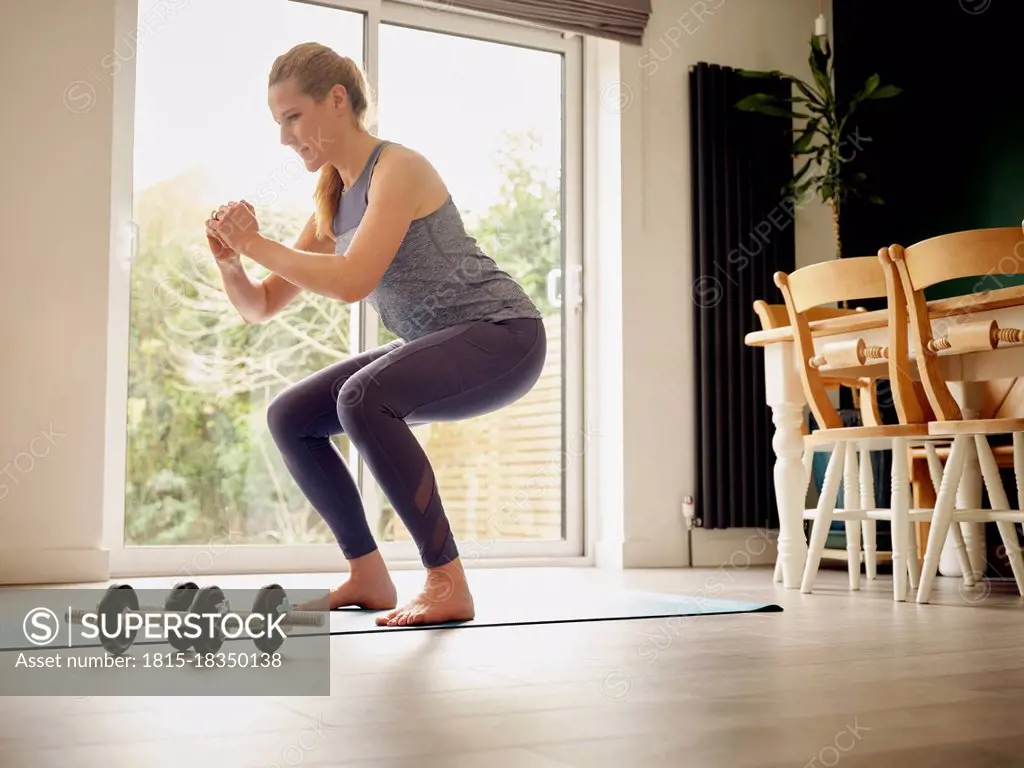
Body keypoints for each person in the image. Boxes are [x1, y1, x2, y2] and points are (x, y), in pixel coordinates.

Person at [205, 42, 546, 627]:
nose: (286, 138)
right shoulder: (334, 202)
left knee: (362, 398)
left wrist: (255, 242)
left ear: (337, 100)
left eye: (293, 117)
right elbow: (260, 306)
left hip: (503, 335)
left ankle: (447, 582)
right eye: (278, 123)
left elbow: (352, 281)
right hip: (437, 342)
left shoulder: (398, 168)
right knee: (291, 417)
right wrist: (232, 262)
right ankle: (368, 574)